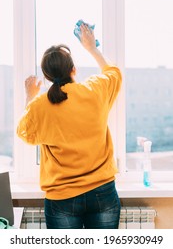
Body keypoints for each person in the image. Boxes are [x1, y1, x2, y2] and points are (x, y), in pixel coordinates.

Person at [17, 23, 122, 229]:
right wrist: (91, 47)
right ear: (74, 69)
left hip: (61, 198)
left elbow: (25, 133)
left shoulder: (40, 105)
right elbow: (114, 72)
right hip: (103, 192)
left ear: (47, 76)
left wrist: (30, 96)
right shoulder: (95, 90)